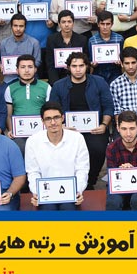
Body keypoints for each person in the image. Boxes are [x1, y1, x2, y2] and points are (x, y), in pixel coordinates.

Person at [49, 53, 114, 189]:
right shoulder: (58, 86)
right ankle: (71, 181)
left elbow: (108, 106)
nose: (78, 69)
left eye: (81, 66)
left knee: (98, 149)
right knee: (66, 150)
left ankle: (90, 181)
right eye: (74, 66)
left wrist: (104, 125)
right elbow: (53, 110)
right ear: (68, 67)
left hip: (95, 128)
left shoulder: (99, 82)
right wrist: (62, 126)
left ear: (87, 66)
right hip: (68, 128)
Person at [105, 110, 137, 211]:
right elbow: (111, 174)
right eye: (124, 129)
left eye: (132, 128)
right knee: (113, 202)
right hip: (119, 184)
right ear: (118, 128)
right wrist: (122, 171)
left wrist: (132, 171)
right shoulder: (111, 148)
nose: (128, 134)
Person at [45, 10, 89, 84]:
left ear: (73, 23)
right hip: (58, 77)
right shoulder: (51, 40)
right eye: (63, 22)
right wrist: (55, 84)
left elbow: (85, 63)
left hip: (78, 76)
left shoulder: (82, 40)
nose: (66, 25)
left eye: (69, 22)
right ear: (59, 24)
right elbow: (50, 64)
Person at [0, 13, 41, 83]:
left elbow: (37, 62)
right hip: (10, 79)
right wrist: (2, 65)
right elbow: (3, 61)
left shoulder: (34, 43)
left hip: (29, 78)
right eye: (15, 26)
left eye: (21, 26)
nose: (18, 29)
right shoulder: (4, 43)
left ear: (25, 27)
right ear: (11, 26)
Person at [88, 11, 125, 84]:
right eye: (102, 24)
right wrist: (92, 64)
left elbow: (123, 58)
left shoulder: (119, 38)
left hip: (115, 73)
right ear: (98, 24)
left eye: (108, 24)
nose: (105, 27)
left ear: (112, 24)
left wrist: (120, 62)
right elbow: (90, 60)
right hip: (98, 73)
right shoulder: (92, 40)